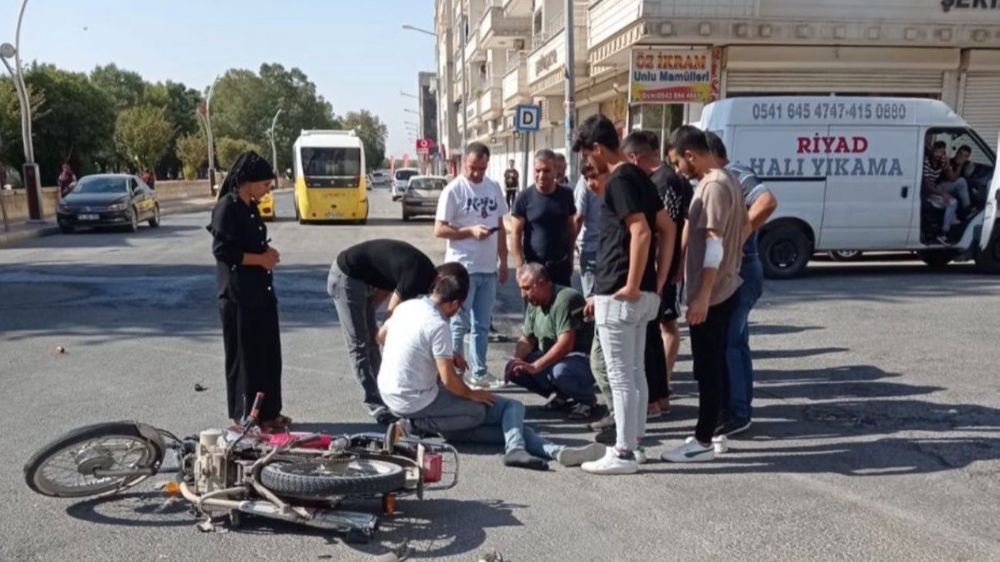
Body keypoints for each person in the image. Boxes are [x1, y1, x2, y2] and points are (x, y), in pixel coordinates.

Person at [377, 263, 606, 471]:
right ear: (455, 303)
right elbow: (449, 381)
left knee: (509, 416)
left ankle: (546, 450)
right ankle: (416, 426)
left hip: (391, 395)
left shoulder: (406, 307)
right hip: (417, 402)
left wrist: (438, 354)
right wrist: (472, 393)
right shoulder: (437, 324)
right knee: (483, 410)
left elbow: (381, 336)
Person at [572, 114, 674, 475]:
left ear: (598, 148)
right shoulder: (640, 176)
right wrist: (657, 282)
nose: (587, 163)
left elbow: (643, 231)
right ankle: (636, 444)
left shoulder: (618, 179)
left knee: (621, 375)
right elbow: (669, 228)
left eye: (587, 155)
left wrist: (632, 284)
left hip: (621, 293)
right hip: (638, 293)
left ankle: (624, 452)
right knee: (634, 373)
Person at [661, 126, 749, 463]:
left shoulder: (712, 186)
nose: (680, 170)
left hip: (713, 294)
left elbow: (714, 244)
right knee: (717, 366)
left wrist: (701, 296)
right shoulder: (729, 180)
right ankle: (716, 430)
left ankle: (702, 441)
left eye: (679, 162)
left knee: (708, 368)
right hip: (724, 286)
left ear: (691, 155)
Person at [207, 151, 290, 430]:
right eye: (265, 185)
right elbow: (223, 251)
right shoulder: (226, 209)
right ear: (249, 181)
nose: (267, 191)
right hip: (237, 296)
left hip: (261, 292)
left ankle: (269, 412)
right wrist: (260, 260)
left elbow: (252, 243)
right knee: (245, 358)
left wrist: (267, 252)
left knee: (268, 354)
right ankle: (246, 417)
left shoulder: (250, 207)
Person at [705, 132, 778, 437]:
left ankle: (738, 412)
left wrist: (740, 234)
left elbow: (767, 201)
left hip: (742, 271)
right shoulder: (720, 179)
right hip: (731, 272)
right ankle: (734, 406)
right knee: (734, 342)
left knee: (731, 344)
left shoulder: (736, 174)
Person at [327, 239, 440, 424]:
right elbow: (392, 313)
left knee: (370, 341)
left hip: (365, 279)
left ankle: (385, 393)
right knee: (360, 344)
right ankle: (375, 403)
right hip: (346, 277)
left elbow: (388, 283)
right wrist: (386, 335)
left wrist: (370, 312)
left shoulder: (425, 274)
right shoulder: (418, 277)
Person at [434, 142, 509, 389]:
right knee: (458, 323)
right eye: (472, 168)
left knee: (482, 325)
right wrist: (469, 231)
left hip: (488, 269)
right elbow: (440, 229)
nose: (477, 173)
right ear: (464, 163)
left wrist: (504, 261)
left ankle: (479, 372)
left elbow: (500, 227)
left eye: (482, 168)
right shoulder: (453, 190)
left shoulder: (493, 187)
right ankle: (454, 373)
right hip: (462, 270)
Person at [622, 131, 682, 419]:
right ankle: (660, 396)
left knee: (654, 336)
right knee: (654, 335)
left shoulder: (664, 181)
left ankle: (657, 397)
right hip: (657, 271)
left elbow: (668, 228)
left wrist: (664, 272)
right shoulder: (661, 180)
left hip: (658, 271)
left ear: (635, 157)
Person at [504, 263, 596, 417]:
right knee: (516, 370)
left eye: (526, 288)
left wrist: (535, 366)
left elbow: (566, 344)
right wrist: (516, 360)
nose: (523, 294)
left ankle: (587, 401)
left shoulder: (565, 299)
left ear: (542, 283)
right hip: (558, 359)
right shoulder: (534, 303)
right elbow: (527, 339)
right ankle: (563, 395)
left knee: (560, 372)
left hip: (581, 359)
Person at [510, 149, 577, 286]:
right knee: (535, 307)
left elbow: (571, 228)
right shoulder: (524, 198)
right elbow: (515, 234)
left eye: (546, 170)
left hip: (560, 268)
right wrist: (520, 266)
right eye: (537, 170)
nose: (541, 175)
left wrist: (570, 258)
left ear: (555, 171)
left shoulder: (566, 195)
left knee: (562, 306)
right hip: (534, 269)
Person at [923, 141, 962, 243]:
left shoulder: (942, 162)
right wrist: (942, 193)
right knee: (953, 202)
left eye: (942, 152)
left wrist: (948, 165)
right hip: (927, 192)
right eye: (937, 152)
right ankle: (944, 233)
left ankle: (952, 219)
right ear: (933, 151)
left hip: (935, 188)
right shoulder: (926, 162)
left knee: (953, 200)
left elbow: (952, 178)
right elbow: (928, 185)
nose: (939, 155)